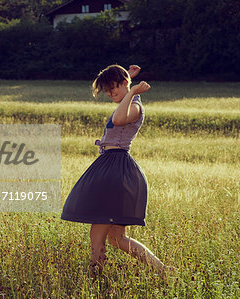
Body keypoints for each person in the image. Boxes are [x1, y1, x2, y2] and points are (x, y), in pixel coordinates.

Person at [61, 64, 170, 279]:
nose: (111, 94)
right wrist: (127, 80)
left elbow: (120, 119)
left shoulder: (135, 106)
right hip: (111, 166)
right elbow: (121, 97)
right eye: (107, 90)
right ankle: (163, 271)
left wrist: (130, 89)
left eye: (114, 88)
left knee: (97, 232)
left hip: (116, 169)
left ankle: (94, 277)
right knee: (117, 239)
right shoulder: (127, 98)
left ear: (125, 86)